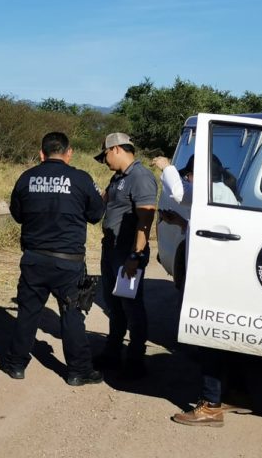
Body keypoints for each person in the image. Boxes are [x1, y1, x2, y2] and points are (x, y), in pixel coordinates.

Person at [0, 131, 106, 386]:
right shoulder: (81, 179)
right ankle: (78, 371)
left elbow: (17, 215)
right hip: (68, 262)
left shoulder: (26, 178)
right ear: (69, 153)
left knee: (28, 313)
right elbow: (95, 215)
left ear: (41, 153)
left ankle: (16, 365)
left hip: (34, 259)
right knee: (72, 315)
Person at [152, 154, 249, 427]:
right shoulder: (222, 192)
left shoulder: (212, 191)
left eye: (189, 174)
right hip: (228, 278)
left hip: (214, 280)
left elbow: (179, 192)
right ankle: (236, 392)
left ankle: (210, 405)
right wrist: (183, 225)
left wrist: (167, 168)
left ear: (200, 175)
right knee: (229, 339)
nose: (187, 179)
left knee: (210, 339)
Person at [93, 132, 157, 380]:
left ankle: (135, 359)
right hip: (110, 250)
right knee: (114, 304)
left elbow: (146, 219)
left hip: (127, 253)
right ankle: (112, 353)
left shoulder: (140, 177)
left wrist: (135, 255)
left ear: (117, 149)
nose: (104, 160)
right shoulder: (117, 177)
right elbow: (105, 204)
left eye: (105, 155)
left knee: (131, 306)